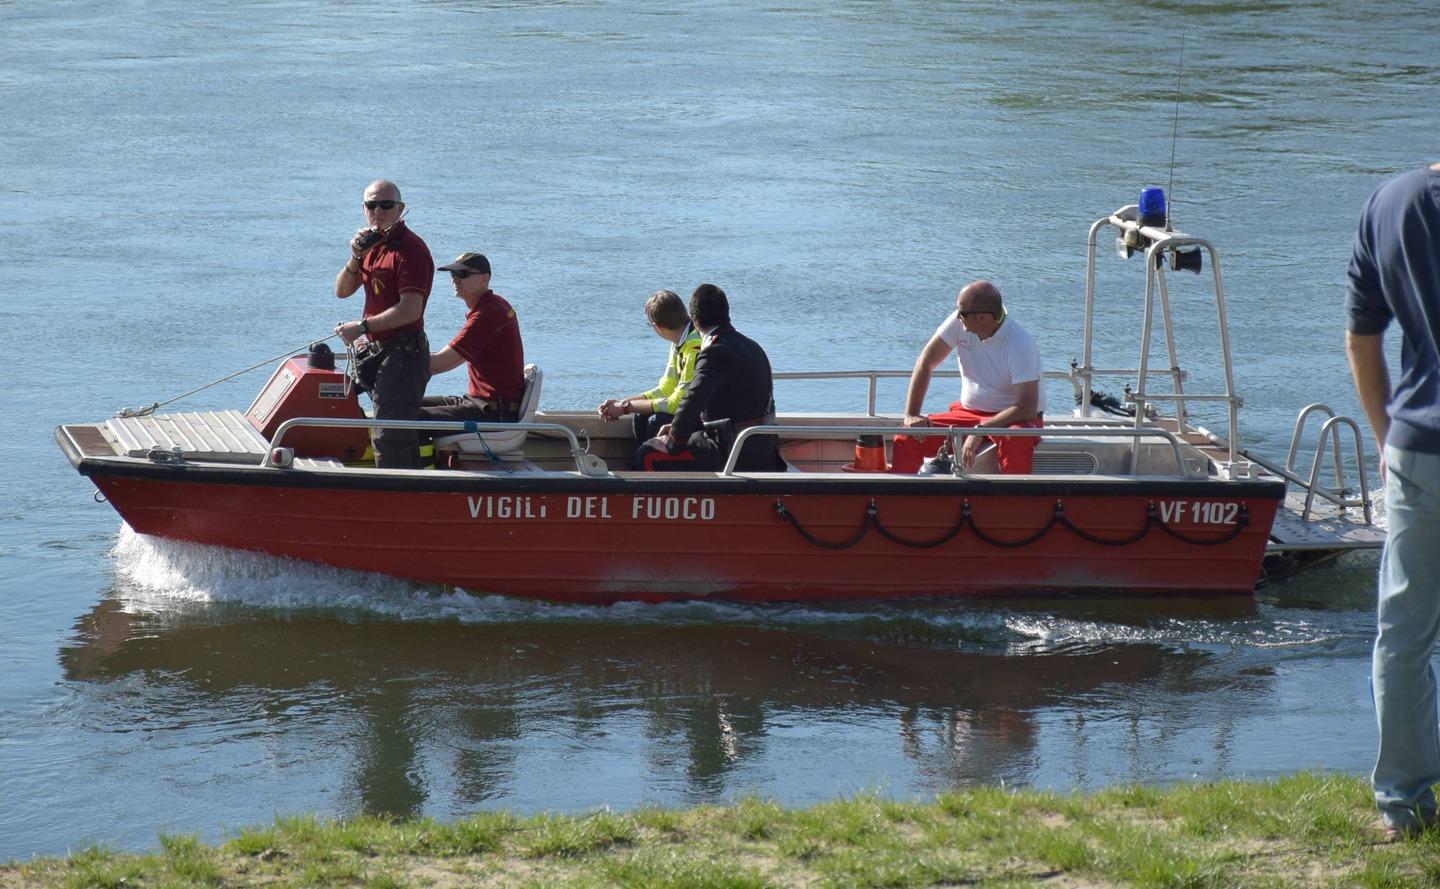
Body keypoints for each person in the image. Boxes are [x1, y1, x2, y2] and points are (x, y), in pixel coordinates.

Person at [1346, 162, 1440, 841]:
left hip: (1416, 445)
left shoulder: (1390, 202)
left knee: (1404, 630)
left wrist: (1386, 438)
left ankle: (1402, 802)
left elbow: (1362, 338)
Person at [891, 280, 1044, 474]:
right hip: (968, 414)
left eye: (962, 313)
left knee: (1015, 439)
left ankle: (1014, 501)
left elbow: (1027, 408)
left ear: (983, 317)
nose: (957, 316)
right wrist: (912, 413)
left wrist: (981, 430)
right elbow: (926, 361)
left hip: (1014, 419)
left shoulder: (1020, 343)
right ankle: (903, 499)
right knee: (908, 437)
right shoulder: (959, 323)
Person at [334, 179, 433, 469]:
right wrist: (355, 256)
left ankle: (399, 501)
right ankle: (416, 496)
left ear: (400, 209)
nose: (378, 210)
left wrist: (362, 327)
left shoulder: (410, 250)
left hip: (404, 354)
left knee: (388, 436)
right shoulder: (372, 246)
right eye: (371, 205)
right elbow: (342, 291)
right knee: (391, 430)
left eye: (386, 205)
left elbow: (410, 310)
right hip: (378, 353)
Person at [636, 283, 782, 473]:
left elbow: (693, 400)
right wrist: (675, 428)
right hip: (763, 449)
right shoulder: (753, 347)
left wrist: (672, 441)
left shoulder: (714, 352)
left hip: (732, 451)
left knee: (647, 454)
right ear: (726, 313)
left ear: (694, 320)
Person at [419, 252, 526, 428]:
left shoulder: (487, 315)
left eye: (463, 274)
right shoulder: (494, 305)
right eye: (453, 274)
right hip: (482, 404)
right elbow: (446, 361)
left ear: (485, 278)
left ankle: (415, 456)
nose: (455, 279)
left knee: (407, 417)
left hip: (493, 413)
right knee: (405, 406)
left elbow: (439, 363)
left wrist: (391, 365)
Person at [598, 289, 703, 443]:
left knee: (656, 420)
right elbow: (666, 389)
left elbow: (676, 404)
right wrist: (621, 403)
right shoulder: (679, 342)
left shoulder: (694, 347)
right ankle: (642, 463)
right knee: (640, 415)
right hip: (688, 412)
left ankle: (652, 461)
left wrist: (626, 407)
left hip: (700, 418)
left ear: (657, 326)